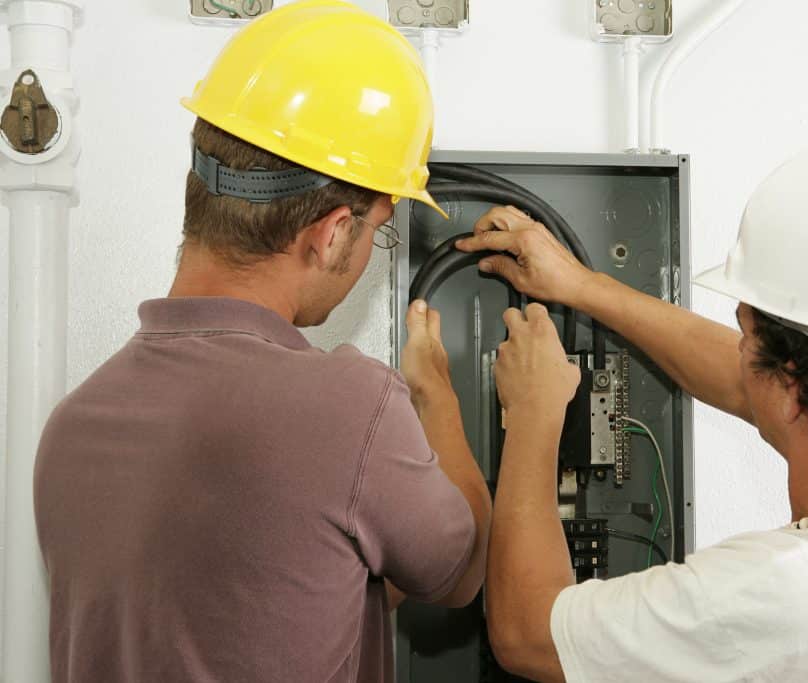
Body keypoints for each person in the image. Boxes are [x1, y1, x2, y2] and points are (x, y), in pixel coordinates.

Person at [34, 3, 490, 682]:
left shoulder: (71, 428)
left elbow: (266, 596)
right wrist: (438, 393)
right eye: (376, 234)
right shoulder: (347, 407)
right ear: (333, 231)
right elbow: (461, 568)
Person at [461, 138, 808, 682]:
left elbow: (529, 634)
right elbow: (751, 382)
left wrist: (534, 413)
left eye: (745, 331)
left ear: (792, 378)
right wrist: (584, 287)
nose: (738, 350)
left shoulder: (789, 594)